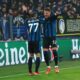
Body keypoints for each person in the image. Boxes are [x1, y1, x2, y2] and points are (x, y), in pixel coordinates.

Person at [43, 7, 59, 74]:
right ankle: (48, 67)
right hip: (46, 37)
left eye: (47, 13)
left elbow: (54, 17)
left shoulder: (53, 18)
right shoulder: (43, 19)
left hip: (53, 37)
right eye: (44, 13)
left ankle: (56, 66)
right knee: (45, 52)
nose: (45, 14)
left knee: (54, 51)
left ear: (49, 13)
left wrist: (56, 15)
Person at [27, 11, 41, 76]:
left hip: (30, 40)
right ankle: (36, 71)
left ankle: (30, 72)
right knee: (38, 55)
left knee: (30, 56)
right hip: (36, 40)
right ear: (35, 15)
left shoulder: (28, 21)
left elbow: (27, 30)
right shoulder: (38, 21)